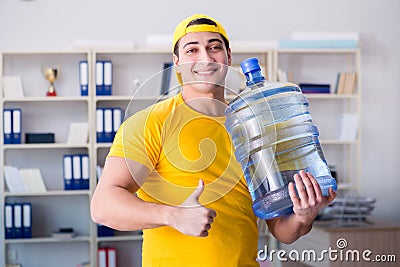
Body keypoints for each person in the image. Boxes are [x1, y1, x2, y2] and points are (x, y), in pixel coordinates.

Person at [90, 14, 337, 266]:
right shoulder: (151, 123)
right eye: (192, 50)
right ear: (176, 62)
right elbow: (103, 206)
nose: (206, 58)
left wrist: (303, 216)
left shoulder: (255, 126)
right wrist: (173, 216)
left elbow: (281, 229)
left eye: (214, 47)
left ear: (228, 57)